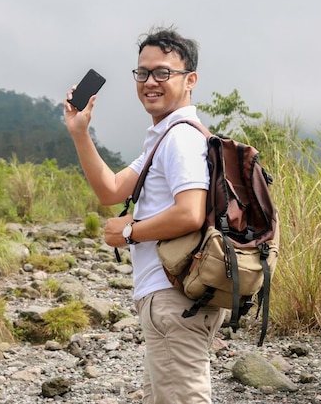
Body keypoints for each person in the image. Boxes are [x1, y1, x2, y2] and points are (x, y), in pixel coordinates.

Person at [64, 26, 225, 404]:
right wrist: (79, 132)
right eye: (143, 73)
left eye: (163, 72)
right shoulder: (164, 138)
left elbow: (190, 213)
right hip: (172, 296)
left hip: (172, 297)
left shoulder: (181, 139)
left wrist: (130, 232)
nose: (150, 81)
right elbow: (111, 190)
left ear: (191, 80)